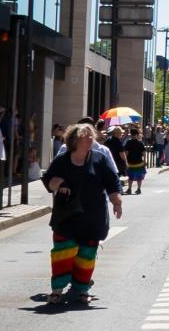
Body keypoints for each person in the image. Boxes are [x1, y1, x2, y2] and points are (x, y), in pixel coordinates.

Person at [41, 123, 123, 308]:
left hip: (92, 217)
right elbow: (48, 180)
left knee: (87, 253)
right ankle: (57, 290)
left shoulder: (100, 159)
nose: (91, 138)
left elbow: (113, 182)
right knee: (63, 252)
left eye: (91, 135)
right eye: (87, 136)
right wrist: (57, 182)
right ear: (76, 140)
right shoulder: (62, 160)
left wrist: (116, 202)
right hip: (66, 216)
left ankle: (82, 288)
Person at [123, 129, 147, 196]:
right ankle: (138, 189)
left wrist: (125, 161)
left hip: (131, 162)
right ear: (137, 135)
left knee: (130, 176)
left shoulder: (128, 142)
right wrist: (145, 161)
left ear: (131, 135)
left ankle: (129, 189)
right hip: (139, 162)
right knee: (139, 177)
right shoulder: (140, 143)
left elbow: (126, 153)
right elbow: (144, 153)